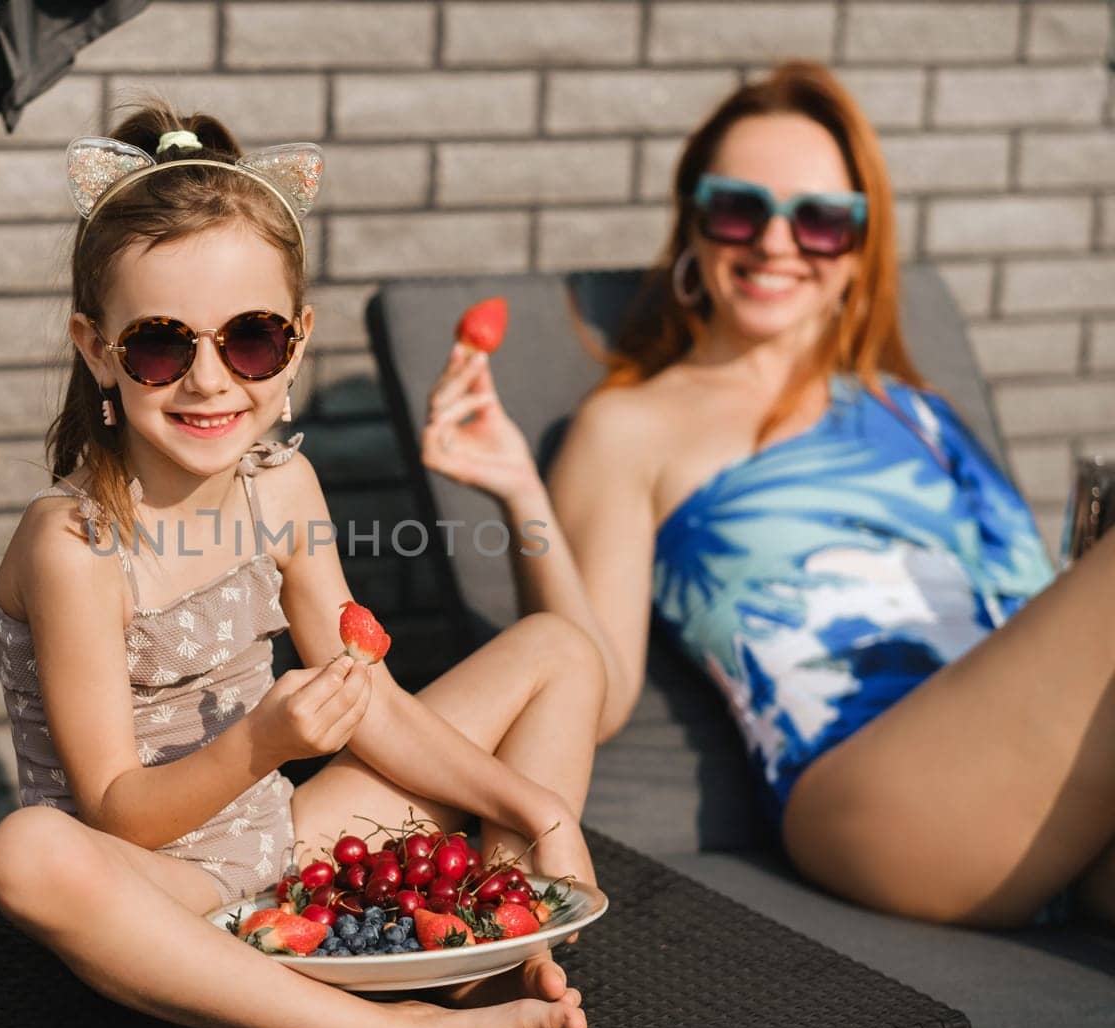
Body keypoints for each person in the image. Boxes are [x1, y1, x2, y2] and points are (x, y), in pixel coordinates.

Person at [0, 101, 604, 1028]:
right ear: (98, 348)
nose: (209, 379)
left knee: (560, 652)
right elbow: (113, 809)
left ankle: (497, 928)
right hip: (159, 892)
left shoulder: (282, 485)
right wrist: (264, 740)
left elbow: (373, 707)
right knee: (26, 853)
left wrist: (535, 808)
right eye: (159, 343)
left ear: (296, 343)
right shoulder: (76, 542)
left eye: (250, 339)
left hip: (284, 846)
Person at [422, 60, 1115, 929]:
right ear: (693, 229)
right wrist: (518, 488)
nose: (777, 243)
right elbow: (593, 693)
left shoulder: (918, 413)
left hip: (1043, 788)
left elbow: (1034, 612)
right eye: (740, 209)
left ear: (861, 248)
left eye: (822, 221)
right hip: (875, 790)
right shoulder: (633, 425)